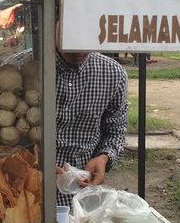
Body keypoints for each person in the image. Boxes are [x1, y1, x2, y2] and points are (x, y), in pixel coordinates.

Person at [54, 21, 128, 207]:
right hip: (26, 188)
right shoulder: (22, 67)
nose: (78, 49)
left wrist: (104, 158)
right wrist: (32, 164)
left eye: (86, 40)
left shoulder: (113, 73)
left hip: (83, 192)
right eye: (70, 39)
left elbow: (116, 130)